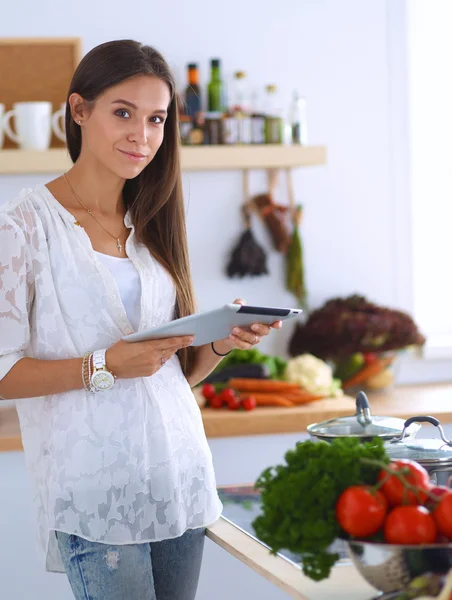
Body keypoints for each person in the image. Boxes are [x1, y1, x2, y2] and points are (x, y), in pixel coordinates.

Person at [0, 40, 282, 600]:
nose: (143, 136)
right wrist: (103, 364)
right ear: (79, 111)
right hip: (95, 498)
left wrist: (220, 343)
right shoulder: (24, 227)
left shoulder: (152, 223)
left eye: (156, 119)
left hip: (179, 480)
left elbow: (172, 375)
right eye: (123, 113)